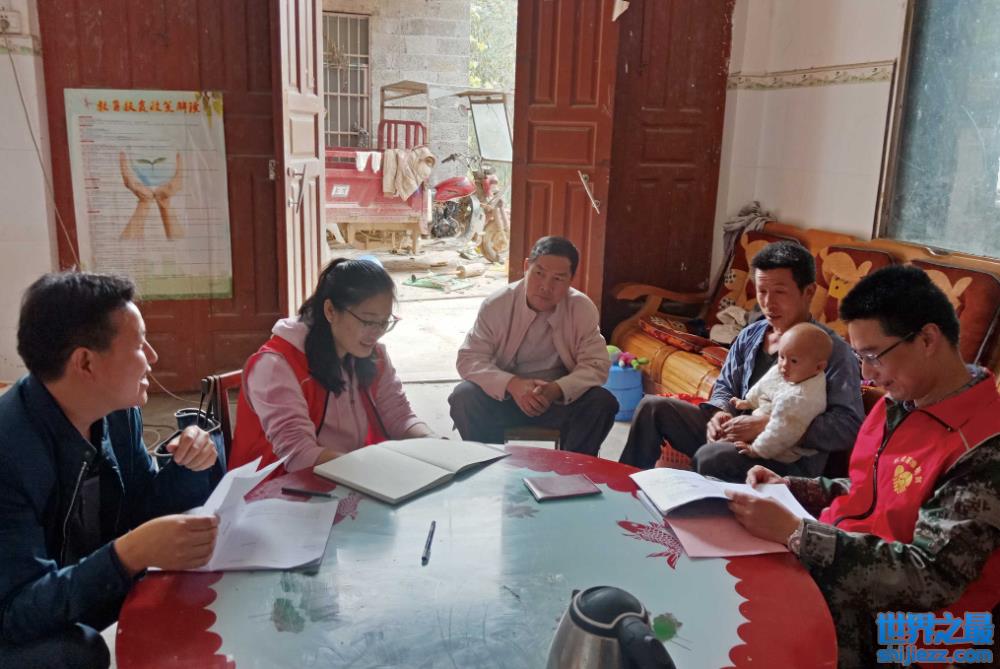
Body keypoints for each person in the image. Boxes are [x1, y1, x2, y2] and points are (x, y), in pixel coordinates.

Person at [727, 265, 1000, 667]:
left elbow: (933, 578)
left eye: (873, 356)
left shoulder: (984, 445)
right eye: (859, 357)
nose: (866, 374)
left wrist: (799, 534)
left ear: (927, 339)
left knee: (771, 630)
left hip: (933, 629)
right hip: (853, 565)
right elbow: (871, 490)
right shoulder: (901, 402)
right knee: (740, 578)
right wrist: (794, 487)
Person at [0, 272, 223, 668]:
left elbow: (142, 507)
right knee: (75, 653)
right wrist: (127, 554)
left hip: (76, 586)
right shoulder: (9, 449)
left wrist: (189, 464)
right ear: (85, 362)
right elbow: (17, 611)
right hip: (18, 618)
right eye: (139, 344)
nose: (153, 356)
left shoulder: (118, 412)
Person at [619, 240, 864, 480]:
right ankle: (623, 488)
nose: (768, 303)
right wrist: (720, 413)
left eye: (780, 292)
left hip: (783, 457)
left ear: (808, 292)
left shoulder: (832, 350)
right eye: (762, 291)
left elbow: (848, 426)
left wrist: (769, 424)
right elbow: (726, 386)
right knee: (653, 407)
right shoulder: (751, 334)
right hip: (736, 433)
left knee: (712, 456)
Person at [230, 257, 433, 473]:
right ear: (330, 311)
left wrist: (433, 441)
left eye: (384, 322)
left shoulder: (373, 355)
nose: (376, 332)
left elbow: (399, 416)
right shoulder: (276, 366)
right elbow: (298, 455)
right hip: (277, 486)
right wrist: (369, 470)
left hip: (345, 477)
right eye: (367, 321)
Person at [449, 236, 618, 455]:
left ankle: (573, 470)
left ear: (571, 280)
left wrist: (557, 389)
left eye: (558, 278)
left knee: (602, 402)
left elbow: (596, 365)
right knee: (464, 396)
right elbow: (469, 359)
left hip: (557, 402)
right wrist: (513, 384)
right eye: (539, 273)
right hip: (505, 399)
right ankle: (488, 463)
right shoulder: (497, 305)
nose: (546, 287)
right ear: (526, 267)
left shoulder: (581, 308)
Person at [728, 322, 832, 463]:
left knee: (719, 448)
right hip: (765, 420)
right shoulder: (792, 372)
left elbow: (781, 431)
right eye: (781, 356)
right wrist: (748, 402)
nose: (783, 365)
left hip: (780, 450)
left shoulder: (802, 399)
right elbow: (764, 385)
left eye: (794, 361)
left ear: (818, 367)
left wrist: (755, 450)